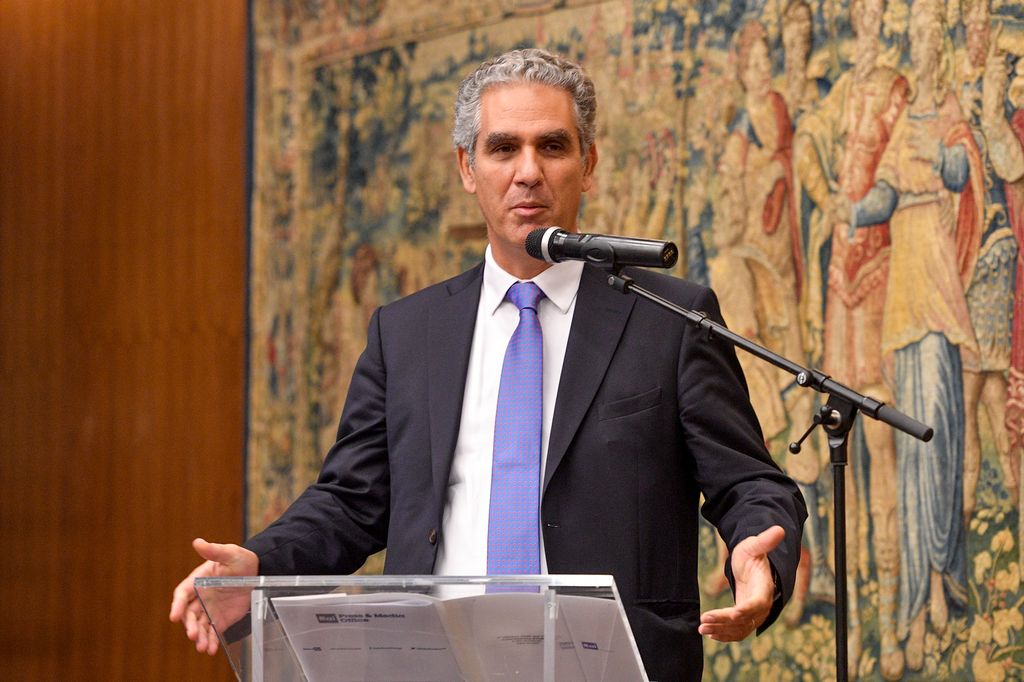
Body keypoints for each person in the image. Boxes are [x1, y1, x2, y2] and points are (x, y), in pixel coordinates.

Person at [170, 48, 806, 682]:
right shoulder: (407, 332)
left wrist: (759, 557)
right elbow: (351, 501)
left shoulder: (668, 318)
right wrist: (260, 564)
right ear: (467, 168)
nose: (528, 172)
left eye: (552, 146)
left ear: (588, 164)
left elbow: (749, 483)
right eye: (503, 148)